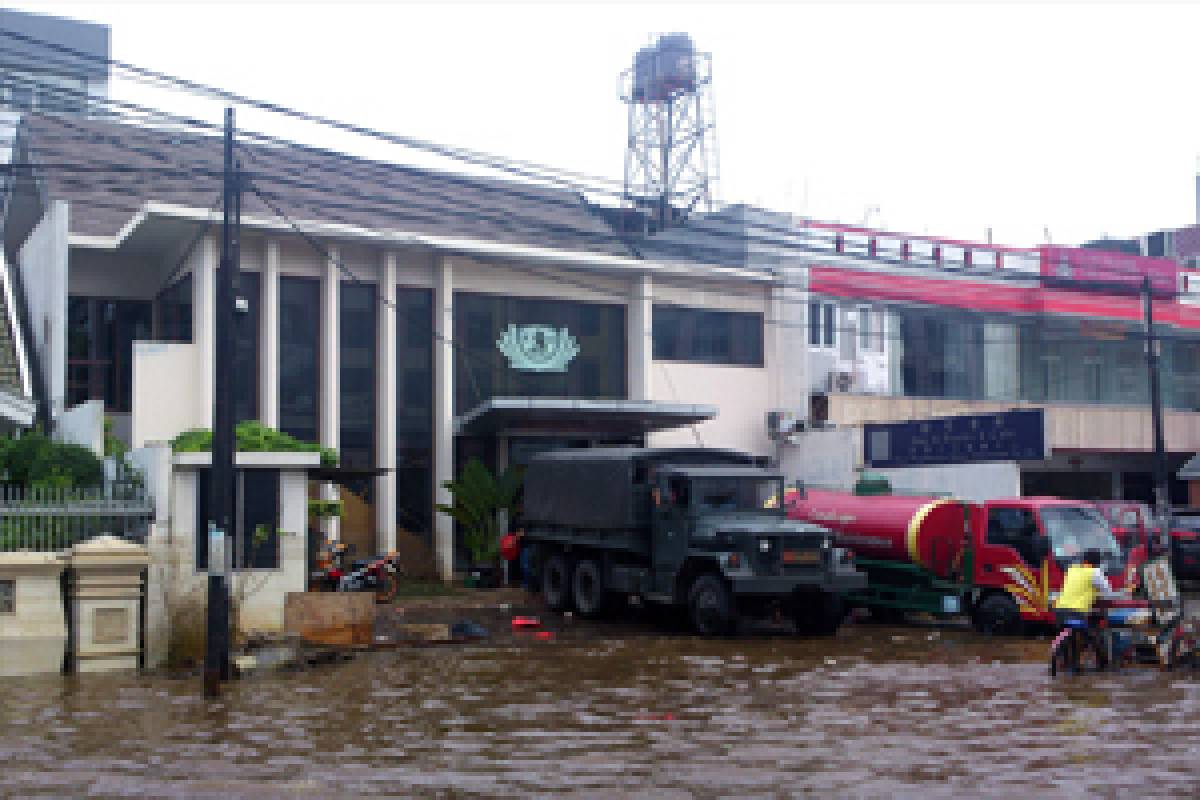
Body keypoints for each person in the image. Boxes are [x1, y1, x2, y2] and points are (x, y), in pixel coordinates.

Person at [1054, 549, 1123, 626]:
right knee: (1096, 621)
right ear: (1099, 562)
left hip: (1058, 611)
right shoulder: (1094, 572)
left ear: (1083, 560)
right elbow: (1108, 593)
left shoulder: (1072, 570)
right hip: (1075, 613)